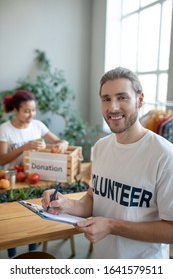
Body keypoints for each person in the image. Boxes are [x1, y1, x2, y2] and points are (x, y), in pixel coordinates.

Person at [41, 67, 173, 259]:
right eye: (106, 99)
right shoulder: (102, 146)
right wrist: (67, 204)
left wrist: (112, 226)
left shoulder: (164, 155)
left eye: (122, 97)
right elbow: (94, 199)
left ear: (140, 100)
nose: (113, 107)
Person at [0, 89, 69, 258]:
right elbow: (2, 160)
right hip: (13, 181)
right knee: (15, 220)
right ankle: (13, 254)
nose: (31, 115)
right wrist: (24, 147)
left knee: (34, 215)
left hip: (35, 179)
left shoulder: (38, 126)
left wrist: (63, 144)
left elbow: (60, 141)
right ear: (15, 110)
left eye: (33, 110)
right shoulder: (5, 129)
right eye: (26, 111)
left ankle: (33, 252)